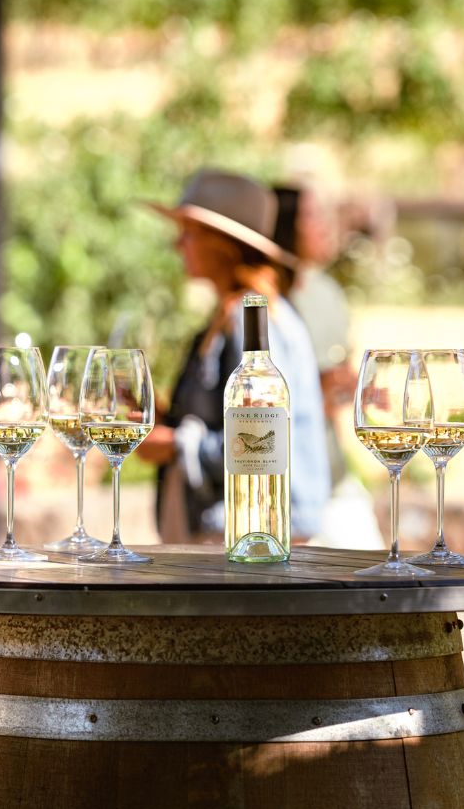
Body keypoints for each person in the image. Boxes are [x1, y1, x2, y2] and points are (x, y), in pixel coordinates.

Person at [137, 169, 330, 542]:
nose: (178, 245)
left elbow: (265, 438)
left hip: (253, 532)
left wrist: (173, 445)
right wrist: (162, 419)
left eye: (188, 233)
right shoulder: (237, 315)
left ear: (221, 244)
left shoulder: (252, 319)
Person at [274, 182, 383, 551]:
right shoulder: (266, 300)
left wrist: (359, 388)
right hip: (283, 484)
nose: (324, 225)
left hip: (333, 475)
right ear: (284, 225)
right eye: (310, 216)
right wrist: (313, 391)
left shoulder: (328, 292)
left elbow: (341, 375)